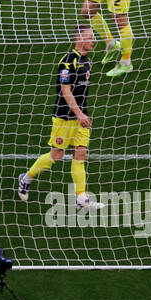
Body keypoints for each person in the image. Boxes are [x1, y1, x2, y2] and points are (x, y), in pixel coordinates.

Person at [18, 25, 106, 210]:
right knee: (56, 155)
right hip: (65, 117)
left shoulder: (87, 62)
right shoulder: (67, 62)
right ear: (80, 38)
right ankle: (26, 179)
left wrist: (82, 114)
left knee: (80, 153)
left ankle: (81, 198)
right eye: (90, 37)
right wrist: (79, 114)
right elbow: (65, 91)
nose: (94, 40)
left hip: (81, 117)